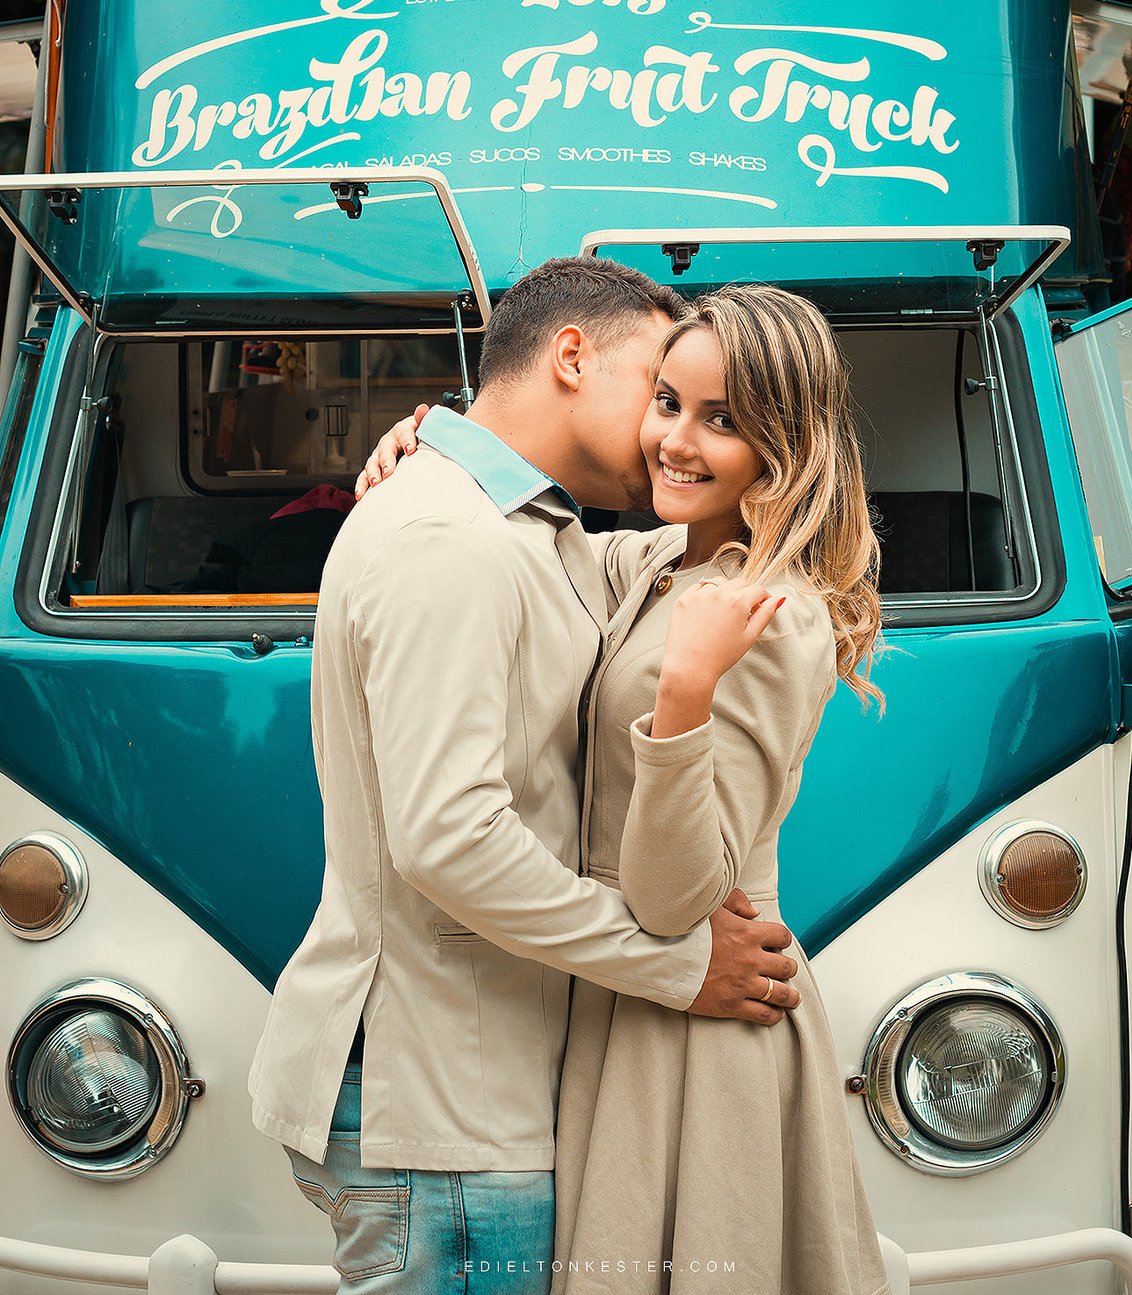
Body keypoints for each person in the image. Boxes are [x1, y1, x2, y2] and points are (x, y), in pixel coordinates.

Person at [249, 257, 803, 1295]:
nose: (663, 431)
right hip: (445, 1106)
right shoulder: (448, 536)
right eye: (658, 390)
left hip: (464, 1093)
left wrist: (433, 430)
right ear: (570, 356)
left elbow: (695, 560)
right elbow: (449, 836)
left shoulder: (524, 528)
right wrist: (678, 965)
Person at [366, 282, 889, 1294]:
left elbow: (673, 897)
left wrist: (684, 693)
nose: (674, 441)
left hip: (694, 1028)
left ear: (784, 446)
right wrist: (432, 447)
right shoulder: (656, 559)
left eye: (721, 420)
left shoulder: (769, 614)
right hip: (632, 997)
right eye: (667, 402)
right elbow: (531, 542)